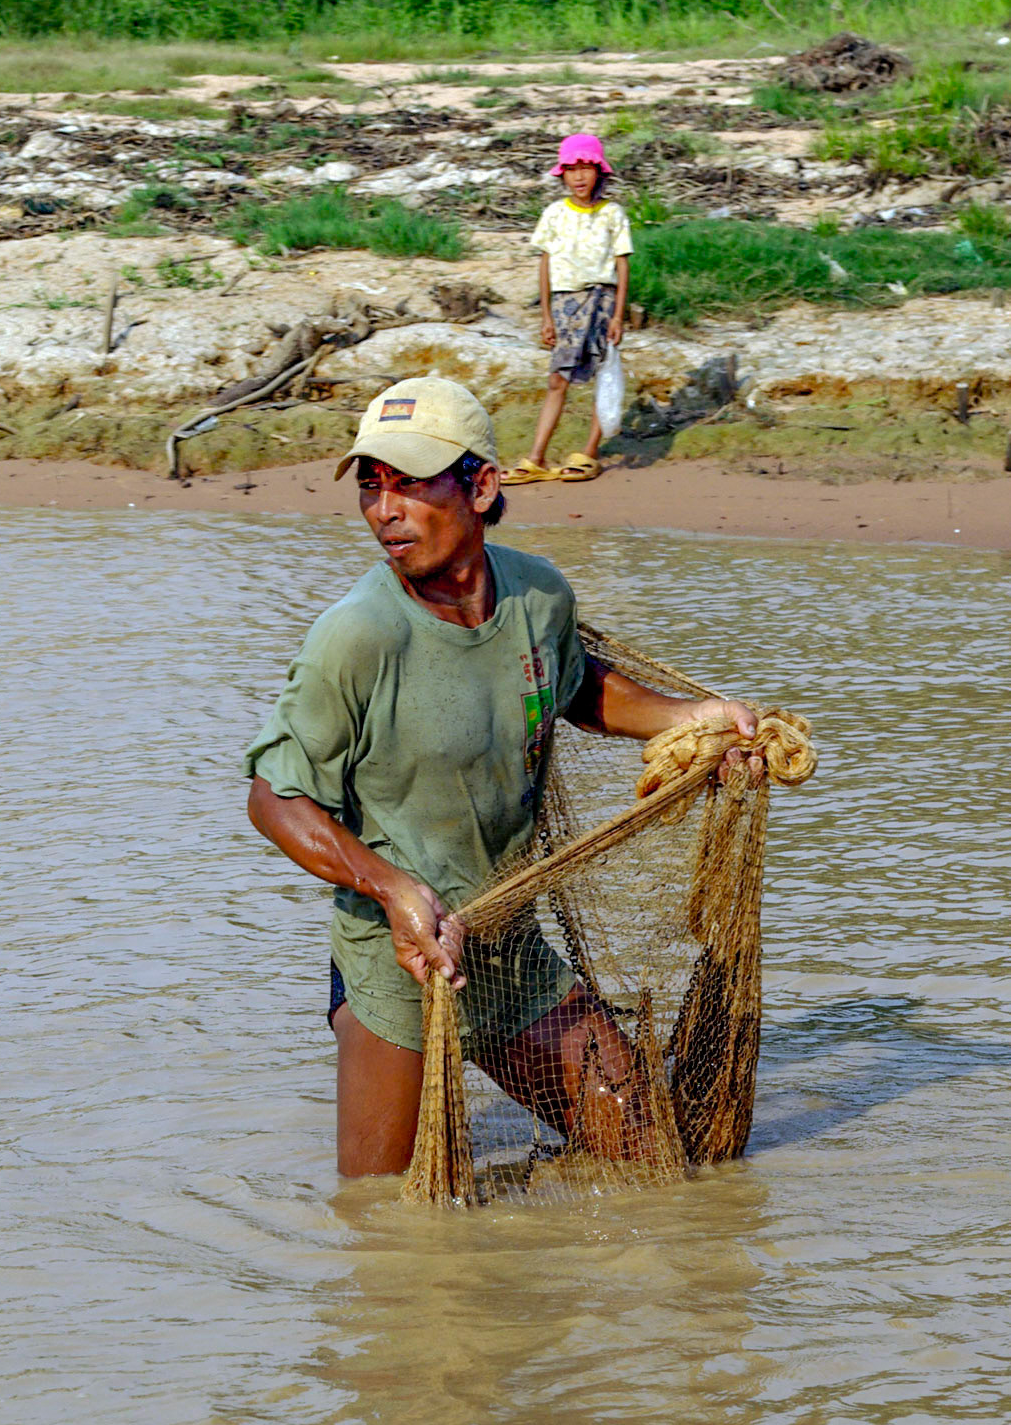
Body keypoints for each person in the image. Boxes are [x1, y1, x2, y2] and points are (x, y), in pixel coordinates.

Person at [244, 376, 759, 1178]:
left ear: (482, 486)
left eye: (411, 485)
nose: (385, 511)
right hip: (400, 958)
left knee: (654, 1154)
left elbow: (576, 684)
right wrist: (392, 890)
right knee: (382, 1220)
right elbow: (274, 796)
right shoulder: (355, 636)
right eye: (372, 487)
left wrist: (691, 719)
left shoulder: (538, 594)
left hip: (510, 946)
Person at [503, 133, 632, 488]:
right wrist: (545, 315)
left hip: (603, 300)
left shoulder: (613, 214)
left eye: (586, 169)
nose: (579, 177)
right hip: (564, 301)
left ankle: (589, 452)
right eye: (571, 170)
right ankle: (537, 457)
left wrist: (619, 315)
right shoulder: (555, 213)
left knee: (602, 372)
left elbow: (622, 266)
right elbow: (545, 266)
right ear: (562, 174)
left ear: (598, 172)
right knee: (557, 378)